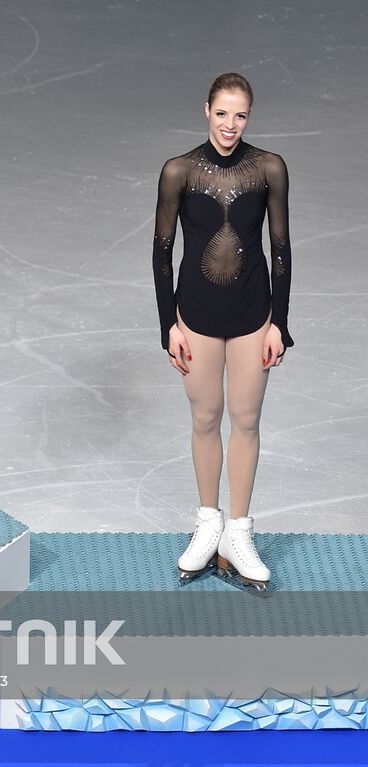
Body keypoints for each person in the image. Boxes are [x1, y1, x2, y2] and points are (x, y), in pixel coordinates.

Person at [154, 74, 291, 590]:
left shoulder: (268, 168)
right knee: (206, 416)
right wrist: (169, 324)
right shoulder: (179, 171)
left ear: (248, 117)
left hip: (253, 314)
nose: (230, 125)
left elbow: (281, 247)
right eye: (222, 114)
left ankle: (238, 530)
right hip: (198, 315)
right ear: (205, 111)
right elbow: (161, 252)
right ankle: (208, 523)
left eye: (240, 116)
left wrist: (281, 321)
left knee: (247, 419)